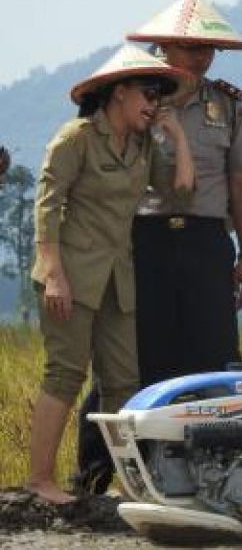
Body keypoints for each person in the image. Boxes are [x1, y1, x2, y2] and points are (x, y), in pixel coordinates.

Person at [28, 45, 194, 504]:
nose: (154, 103)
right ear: (118, 92)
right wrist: (53, 273)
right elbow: (48, 206)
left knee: (123, 381)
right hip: (71, 275)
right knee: (65, 373)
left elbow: (178, 192)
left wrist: (176, 138)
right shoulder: (75, 138)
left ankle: (129, 483)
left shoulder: (141, 145)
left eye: (160, 96)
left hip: (117, 280)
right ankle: (39, 479)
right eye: (147, 93)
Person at [125, 0, 242, 387]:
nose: (200, 57)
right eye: (190, 47)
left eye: (209, 49)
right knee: (143, 351)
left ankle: (218, 446)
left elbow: (241, 181)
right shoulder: (132, 100)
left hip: (206, 239)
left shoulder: (229, 105)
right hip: (144, 237)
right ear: (163, 47)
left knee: (215, 353)